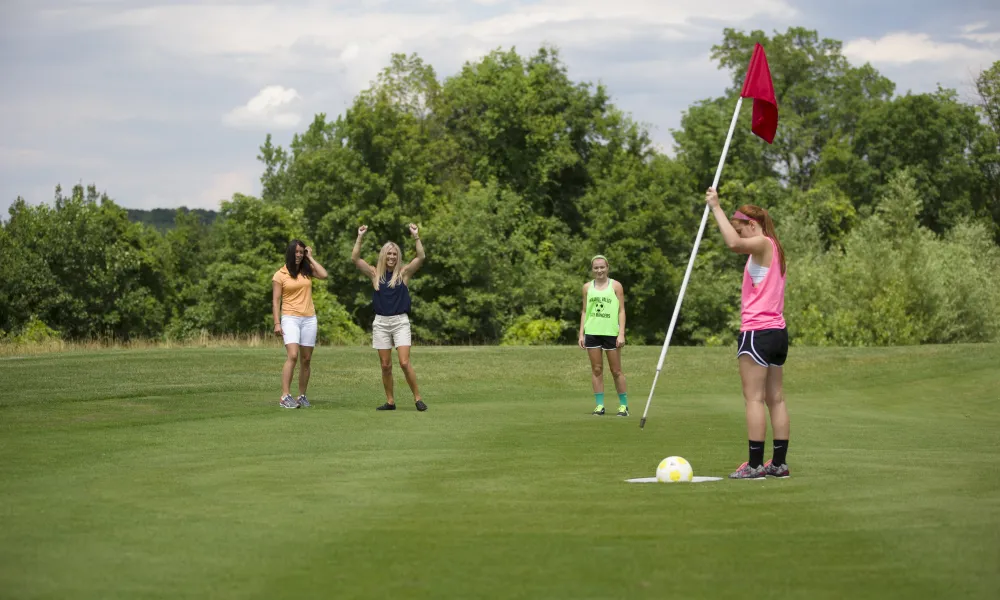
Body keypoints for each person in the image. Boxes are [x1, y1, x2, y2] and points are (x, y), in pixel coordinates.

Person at [705, 187, 790, 479]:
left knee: (754, 399)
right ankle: (778, 463)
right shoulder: (775, 247)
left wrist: (716, 207)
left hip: (757, 330)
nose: (739, 233)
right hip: (777, 332)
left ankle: (754, 465)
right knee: (775, 399)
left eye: (741, 227)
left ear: (752, 225)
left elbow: (731, 243)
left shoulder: (764, 243)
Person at [351, 223, 428, 412]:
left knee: (403, 362)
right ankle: (390, 402)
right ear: (383, 256)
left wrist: (416, 236)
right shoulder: (375, 274)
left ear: (398, 257)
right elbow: (355, 258)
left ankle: (417, 398)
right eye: (389, 254)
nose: (392, 257)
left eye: (395, 254)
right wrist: (360, 237)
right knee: (385, 365)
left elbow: (421, 257)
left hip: (400, 322)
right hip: (381, 323)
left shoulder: (403, 274)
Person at [272, 239, 328, 409]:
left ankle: (302, 395)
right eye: (296, 252)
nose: (298, 255)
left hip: (309, 318)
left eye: (301, 252)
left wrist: (310, 258)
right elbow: (276, 301)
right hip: (290, 318)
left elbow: (324, 275)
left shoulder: (307, 270)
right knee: (293, 355)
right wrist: (277, 323)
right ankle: (285, 396)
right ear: (290, 253)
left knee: (306, 359)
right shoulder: (280, 274)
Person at [578, 255, 628, 417]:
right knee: (597, 369)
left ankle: (623, 406)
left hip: (611, 333)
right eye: (596, 268)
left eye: (602, 267)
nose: (599, 270)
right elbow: (585, 311)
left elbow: (621, 310)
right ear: (592, 269)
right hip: (592, 332)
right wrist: (581, 334)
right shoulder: (587, 287)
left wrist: (621, 333)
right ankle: (599, 406)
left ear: (607, 267)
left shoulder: (616, 286)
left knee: (616, 370)